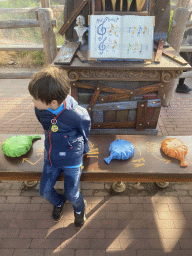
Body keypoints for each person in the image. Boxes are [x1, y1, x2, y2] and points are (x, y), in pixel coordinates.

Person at [28, 65, 91, 229]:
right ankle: (58, 202)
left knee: (72, 193)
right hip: (52, 157)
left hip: (72, 158)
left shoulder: (77, 114)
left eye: (35, 98)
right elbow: (46, 127)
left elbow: (85, 130)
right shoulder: (40, 110)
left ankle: (79, 208)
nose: (33, 101)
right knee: (45, 191)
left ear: (53, 102)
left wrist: (83, 147)